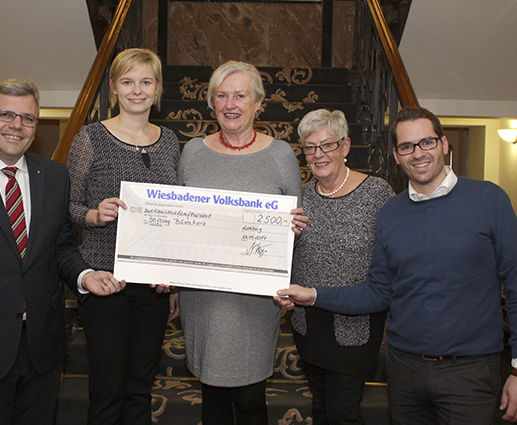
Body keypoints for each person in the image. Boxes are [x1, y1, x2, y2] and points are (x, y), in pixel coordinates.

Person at [276, 106, 517, 424]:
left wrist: (515, 368)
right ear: (396, 155)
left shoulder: (489, 200)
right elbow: (378, 290)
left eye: (427, 142)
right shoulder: (392, 212)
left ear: (444, 144)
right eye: (406, 146)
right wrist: (312, 294)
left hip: (469, 371)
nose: (418, 153)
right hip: (404, 370)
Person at [0, 77, 123, 425]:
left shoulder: (56, 177)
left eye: (28, 118)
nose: (17, 125)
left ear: (35, 126)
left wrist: (86, 275)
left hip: (41, 351)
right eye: (6, 115)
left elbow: (60, 248)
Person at [177, 60, 307, 425]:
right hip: (202, 296)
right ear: (211, 102)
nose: (230, 103)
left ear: (258, 104)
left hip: (256, 297)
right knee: (211, 395)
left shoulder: (281, 156)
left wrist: (292, 228)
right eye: (221, 95)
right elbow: (179, 222)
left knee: (251, 398)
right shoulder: (193, 153)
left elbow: (294, 227)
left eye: (240, 95)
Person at [66, 48, 180, 425]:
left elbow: (177, 214)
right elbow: (67, 206)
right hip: (106, 282)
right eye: (128, 82)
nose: (137, 90)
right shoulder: (90, 138)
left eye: (146, 81)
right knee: (107, 388)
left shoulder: (170, 142)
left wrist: (176, 279)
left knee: (140, 387)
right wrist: (94, 215)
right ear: (113, 87)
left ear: (157, 88)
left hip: (153, 285)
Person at [290, 109, 393, 424]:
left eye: (327, 145)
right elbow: (286, 255)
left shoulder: (377, 193)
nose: (318, 154)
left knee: (343, 413)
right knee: (320, 408)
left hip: (355, 326)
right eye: (310, 147)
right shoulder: (300, 198)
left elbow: (392, 257)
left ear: (346, 146)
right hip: (308, 323)